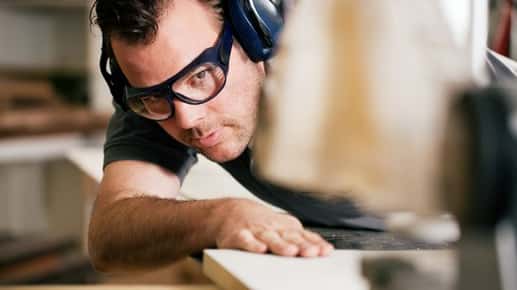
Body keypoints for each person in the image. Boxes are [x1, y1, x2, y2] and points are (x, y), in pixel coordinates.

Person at [87, 0, 386, 272]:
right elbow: (109, 235)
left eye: (200, 75)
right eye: (153, 97)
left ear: (255, 27)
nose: (189, 119)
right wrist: (219, 217)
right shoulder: (153, 99)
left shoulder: (358, 38)